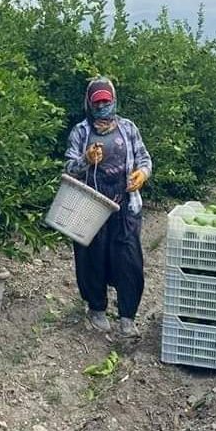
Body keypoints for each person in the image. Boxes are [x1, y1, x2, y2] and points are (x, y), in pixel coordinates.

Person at [64, 77, 152, 338]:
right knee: (92, 257)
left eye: (106, 100)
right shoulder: (80, 132)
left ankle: (127, 316)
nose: (102, 105)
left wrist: (142, 175)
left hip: (125, 205)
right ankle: (97, 308)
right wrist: (85, 159)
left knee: (129, 260)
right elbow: (68, 167)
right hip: (91, 204)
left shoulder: (128, 128)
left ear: (114, 99)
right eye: (97, 101)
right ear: (89, 103)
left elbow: (144, 159)